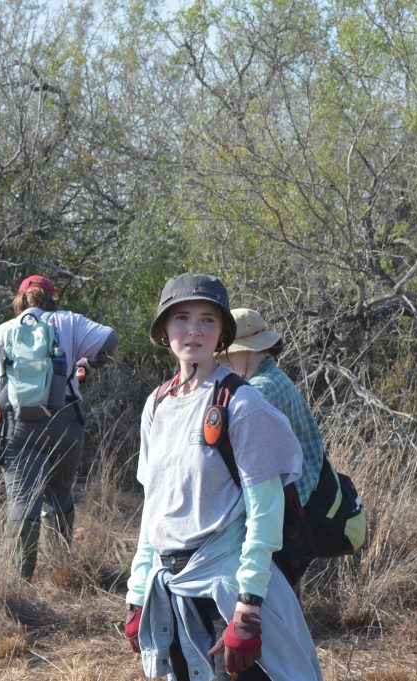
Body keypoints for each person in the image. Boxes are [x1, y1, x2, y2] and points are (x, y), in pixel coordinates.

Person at [124, 273, 323, 681]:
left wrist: (247, 611)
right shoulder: (156, 404)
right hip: (171, 592)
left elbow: (265, 514)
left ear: (222, 334)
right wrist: (138, 592)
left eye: (207, 320)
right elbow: (155, 509)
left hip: (227, 593)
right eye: (182, 318)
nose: (194, 330)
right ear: (164, 330)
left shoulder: (242, 404)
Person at [0, 274, 118, 580]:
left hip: (18, 425)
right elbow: (110, 339)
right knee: (60, 493)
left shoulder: (4, 331)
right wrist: (86, 367)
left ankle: (17, 581)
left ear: (20, 299)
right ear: (51, 297)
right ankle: (60, 572)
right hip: (65, 420)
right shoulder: (68, 321)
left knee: (21, 497)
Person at [221, 308, 326, 593]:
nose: (221, 362)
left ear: (246, 351)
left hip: (288, 506)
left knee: (271, 594)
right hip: (289, 501)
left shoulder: (261, 389)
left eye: (225, 354)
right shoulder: (269, 378)